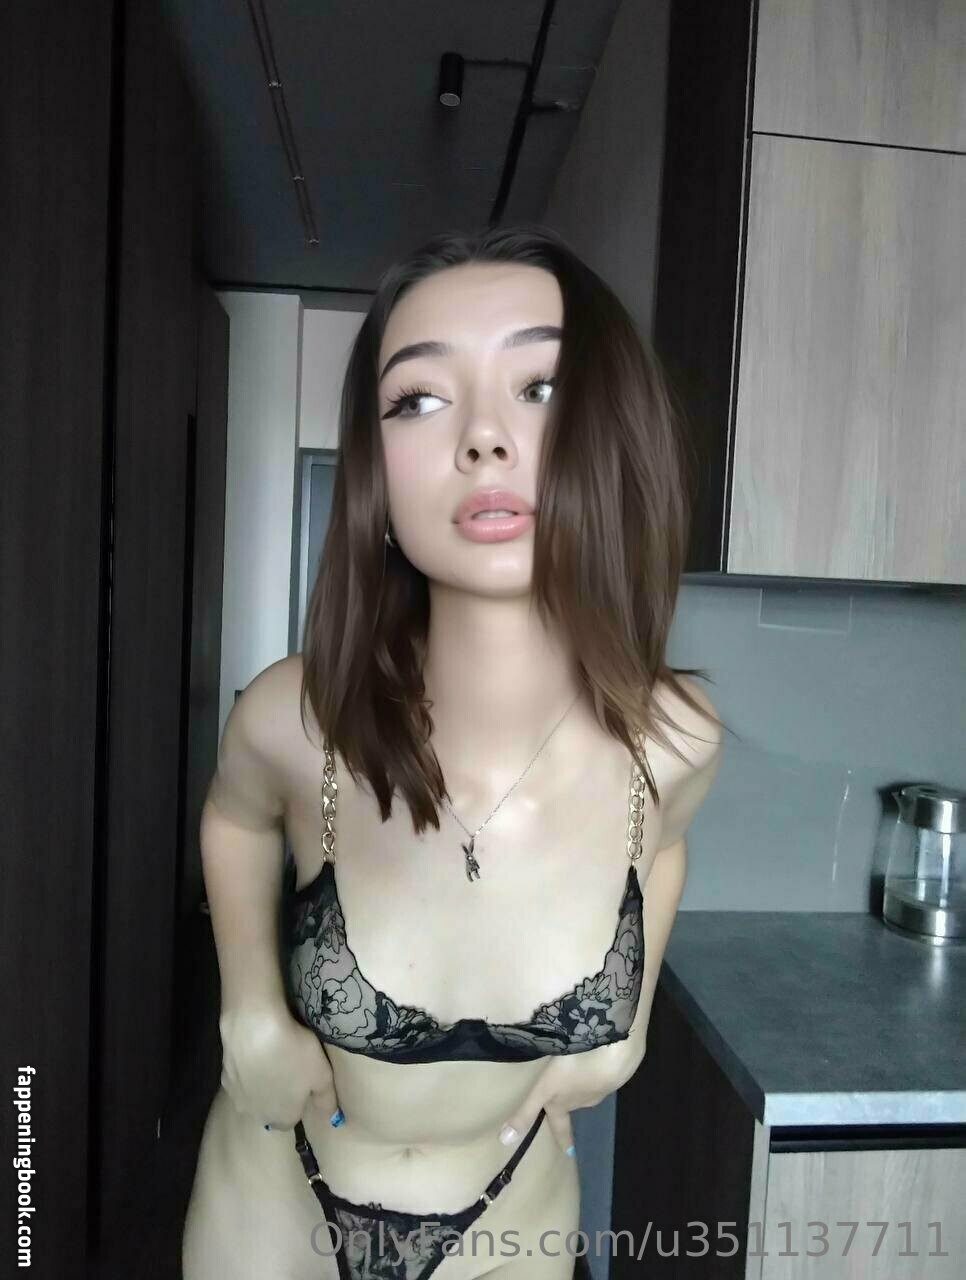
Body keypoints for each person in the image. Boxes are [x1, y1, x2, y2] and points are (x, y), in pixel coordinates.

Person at [182, 224, 724, 1280]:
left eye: (540, 386)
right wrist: (247, 1005)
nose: (482, 437)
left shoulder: (673, 742)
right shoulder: (299, 720)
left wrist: (632, 1023)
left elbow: (660, 846)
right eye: (419, 399)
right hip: (275, 1199)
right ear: (376, 469)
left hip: (510, 1214)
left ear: (615, 428)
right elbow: (235, 816)